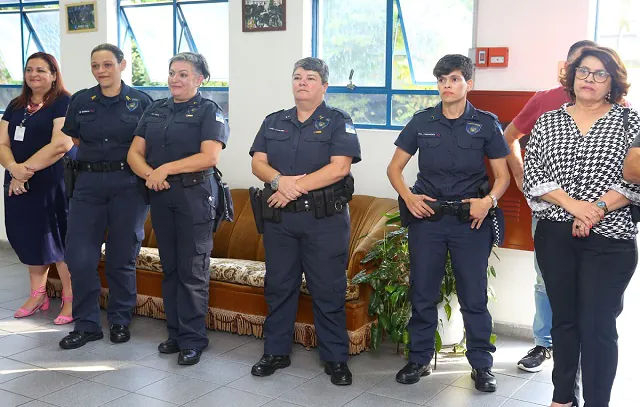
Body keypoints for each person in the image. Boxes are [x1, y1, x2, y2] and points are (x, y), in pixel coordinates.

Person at [388, 54, 510, 393]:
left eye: (454, 79)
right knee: (423, 292)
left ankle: (482, 366)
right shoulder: (421, 121)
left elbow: (502, 176)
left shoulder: (486, 124)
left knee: (474, 297)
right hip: (428, 220)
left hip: (470, 222)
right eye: (441, 79)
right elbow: (394, 168)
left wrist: (488, 202)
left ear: (468, 83)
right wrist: (409, 198)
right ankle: (419, 359)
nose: (446, 85)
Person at [524, 46, 638, 407]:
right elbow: (533, 177)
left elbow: (636, 181)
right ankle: (562, 398)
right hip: (555, 235)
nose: (590, 79)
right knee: (564, 322)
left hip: (612, 237)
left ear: (613, 82)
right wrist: (574, 207)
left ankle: (597, 402)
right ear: (571, 77)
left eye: (600, 73)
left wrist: (597, 209)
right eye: (583, 72)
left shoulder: (630, 122)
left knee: (599, 327)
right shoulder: (548, 121)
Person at [248, 57, 361, 386]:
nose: (302, 83)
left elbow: (339, 168)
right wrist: (278, 182)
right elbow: (258, 163)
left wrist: (290, 186)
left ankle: (335, 358)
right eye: (297, 77)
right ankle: (276, 352)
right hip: (280, 220)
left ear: (324, 86)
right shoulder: (274, 121)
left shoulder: (339, 121)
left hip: (323, 221)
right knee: (279, 287)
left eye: (310, 78)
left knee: (328, 290)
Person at [128, 52, 229, 366]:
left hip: (195, 196)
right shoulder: (156, 109)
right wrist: (150, 175)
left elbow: (209, 157)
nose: (175, 79)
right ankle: (175, 333)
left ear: (199, 79)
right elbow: (134, 152)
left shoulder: (210, 111)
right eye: (172, 73)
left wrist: (165, 169)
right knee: (170, 268)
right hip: (161, 195)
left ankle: (193, 339)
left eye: (183, 74)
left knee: (192, 270)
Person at [504, 40, 597, 374]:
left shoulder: (617, 106)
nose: (585, 76)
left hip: (598, 213)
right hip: (550, 211)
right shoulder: (545, 100)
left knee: (592, 281)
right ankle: (544, 343)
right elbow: (509, 136)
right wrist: (520, 174)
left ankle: (585, 345)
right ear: (566, 69)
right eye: (578, 68)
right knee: (546, 280)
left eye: (592, 70)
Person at [58, 43, 152, 350]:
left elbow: (148, 143)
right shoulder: (82, 100)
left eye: (107, 64)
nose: (101, 70)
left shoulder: (141, 101)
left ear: (122, 65)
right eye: (96, 65)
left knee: (121, 257)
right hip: (87, 184)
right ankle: (87, 324)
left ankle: (120, 320)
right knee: (80, 256)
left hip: (128, 185)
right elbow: (74, 137)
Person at [0, 52, 75, 325]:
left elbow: (61, 144)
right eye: (30, 69)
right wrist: (14, 170)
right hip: (19, 183)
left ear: (54, 74)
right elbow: (2, 144)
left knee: (59, 240)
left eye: (41, 70)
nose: (34, 75)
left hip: (51, 183)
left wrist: (23, 171)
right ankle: (38, 295)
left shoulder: (64, 102)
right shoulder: (16, 104)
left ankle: (69, 299)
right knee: (30, 238)